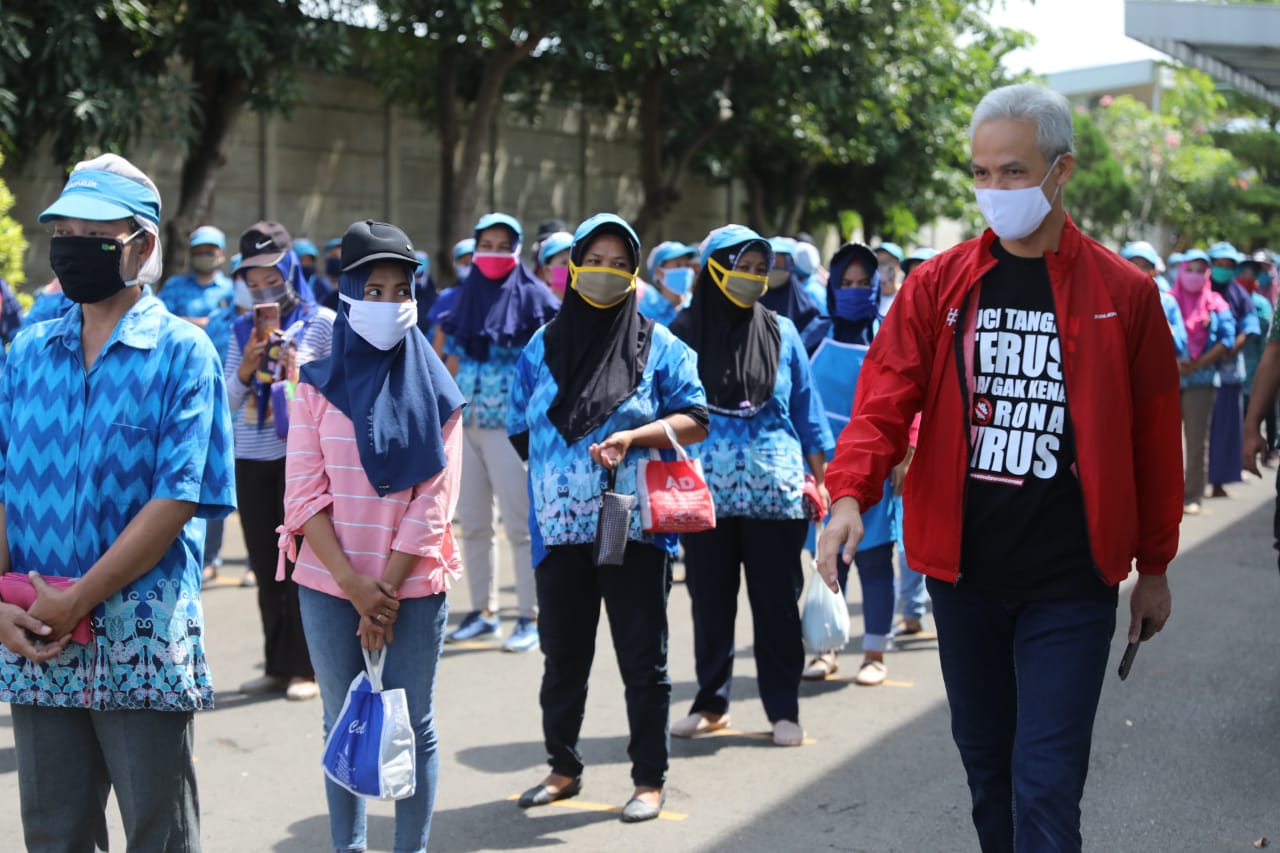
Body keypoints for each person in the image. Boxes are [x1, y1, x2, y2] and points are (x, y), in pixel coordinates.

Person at [818, 83, 1179, 853]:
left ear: (1061, 171)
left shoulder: (1125, 293)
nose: (994, 190)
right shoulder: (938, 284)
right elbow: (884, 397)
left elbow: (1154, 438)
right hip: (963, 575)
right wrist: (850, 491)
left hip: (1071, 581)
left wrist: (1155, 564)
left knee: (1046, 783)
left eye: (1013, 172)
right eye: (980, 173)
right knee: (989, 774)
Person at [0, 153, 236, 851]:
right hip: (39, 631)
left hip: (141, 636)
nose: (72, 242)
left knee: (158, 833)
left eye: (94, 230)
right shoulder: (27, 352)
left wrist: (80, 598)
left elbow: (175, 499)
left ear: (142, 246)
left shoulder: (182, 353)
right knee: (55, 832)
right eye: (64, 227)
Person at [509, 213, 707, 823]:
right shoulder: (539, 348)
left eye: (621, 264)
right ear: (572, 266)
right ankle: (563, 767)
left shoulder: (662, 344)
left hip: (636, 527)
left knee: (641, 657)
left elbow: (696, 418)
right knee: (563, 655)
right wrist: (562, 481)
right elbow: (522, 430)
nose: (607, 272)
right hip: (560, 528)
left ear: (635, 273)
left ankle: (649, 778)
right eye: (596, 259)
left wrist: (632, 436)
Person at [280, 219, 465, 853]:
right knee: (342, 722)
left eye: (400, 288)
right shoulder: (315, 385)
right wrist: (357, 589)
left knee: (415, 724)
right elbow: (303, 497)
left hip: (412, 584)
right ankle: (349, 847)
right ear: (348, 295)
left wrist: (382, 589)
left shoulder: (440, 392)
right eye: (373, 289)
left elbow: (434, 503)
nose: (388, 303)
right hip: (329, 586)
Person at [669, 225, 834, 747]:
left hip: (776, 495)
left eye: (761, 270)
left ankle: (783, 708)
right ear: (714, 268)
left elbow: (806, 412)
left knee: (776, 605)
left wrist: (823, 479)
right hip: (703, 497)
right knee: (710, 602)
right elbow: (661, 406)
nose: (754, 279)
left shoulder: (784, 332)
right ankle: (712, 702)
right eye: (743, 267)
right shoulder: (681, 332)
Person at [226, 221, 336, 700]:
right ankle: (275, 664)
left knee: (302, 565)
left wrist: (295, 372)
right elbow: (226, 400)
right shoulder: (238, 329)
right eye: (252, 283)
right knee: (265, 561)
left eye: (271, 277)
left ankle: (307, 669)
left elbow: (333, 394)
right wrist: (250, 367)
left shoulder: (322, 322)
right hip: (251, 455)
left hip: (303, 458)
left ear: (291, 267)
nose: (262, 289)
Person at [441, 213, 559, 652]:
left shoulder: (539, 300)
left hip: (512, 429)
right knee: (472, 524)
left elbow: (551, 371)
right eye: (484, 244)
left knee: (521, 525)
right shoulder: (462, 299)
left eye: (501, 244)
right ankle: (483, 611)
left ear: (517, 249)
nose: (491, 253)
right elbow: (450, 360)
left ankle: (530, 615)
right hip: (466, 424)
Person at [801, 243, 900, 686]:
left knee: (876, 562)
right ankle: (826, 649)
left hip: (876, 469)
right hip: (824, 471)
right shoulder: (813, 336)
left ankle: (875, 651)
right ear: (833, 288)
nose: (856, 291)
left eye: (865, 283)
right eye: (847, 283)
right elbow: (797, 402)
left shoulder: (889, 334)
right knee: (828, 562)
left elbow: (909, 401)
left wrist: (905, 453)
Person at [159, 225, 236, 583]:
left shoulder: (232, 290)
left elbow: (231, 330)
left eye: (212, 248)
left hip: (225, 390)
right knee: (180, 474)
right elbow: (164, 324)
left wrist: (190, 324)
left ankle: (213, 556)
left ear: (221, 253)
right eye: (200, 248)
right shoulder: (175, 287)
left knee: (215, 472)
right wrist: (205, 324)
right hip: (177, 390)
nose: (206, 253)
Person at [1174, 249, 1235, 515]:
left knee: (1197, 442)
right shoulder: (1167, 299)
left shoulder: (1216, 302)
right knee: (1164, 440)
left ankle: (1192, 496)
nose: (1194, 276)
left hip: (1202, 380)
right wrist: (1174, 363)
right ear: (1181, 270)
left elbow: (1227, 339)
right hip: (1168, 378)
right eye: (1190, 269)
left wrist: (1198, 363)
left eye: (1201, 270)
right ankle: (1165, 496)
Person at [1207, 242, 1259, 498]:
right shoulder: (1199, 289)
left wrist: (1232, 347)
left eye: (1229, 265)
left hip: (1228, 372)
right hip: (1196, 372)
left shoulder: (1239, 294)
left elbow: (1249, 326)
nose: (1223, 269)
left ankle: (1219, 480)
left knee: (1226, 427)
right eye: (1219, 264)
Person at [761, 236, 830, 353]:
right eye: (772, 263)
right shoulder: (751, 303)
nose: (775, 268)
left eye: (780, 263)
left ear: (791, 264)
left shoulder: (807, 311)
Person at [638, 241, 698, 326]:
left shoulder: (698, 305)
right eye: (678, 265)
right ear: (658, 272)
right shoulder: (647, 313)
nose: (685, 270)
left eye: (687, 265)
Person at [535, 230, 573, 301]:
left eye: (574, 262)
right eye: (564, 263)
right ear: (547, 272)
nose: (571, 268)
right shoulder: (538, 305)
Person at [873, 242, 904, 319]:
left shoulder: (906, 297)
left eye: (885, 262)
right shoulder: (869, 298)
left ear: (898, 265)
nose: (881, 268)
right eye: (877, 263)